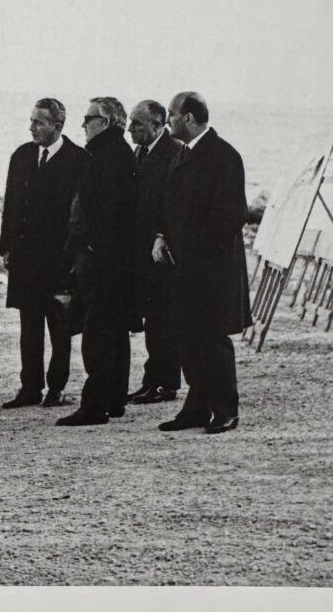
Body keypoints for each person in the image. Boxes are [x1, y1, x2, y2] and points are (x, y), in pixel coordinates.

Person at [152, 92, 252, 434]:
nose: (168, 120)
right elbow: (169, 204)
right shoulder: (183, 154)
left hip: (212, 268)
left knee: (212, 338)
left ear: (189, 118)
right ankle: (196, 408)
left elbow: (231, 215)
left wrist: (193, 249)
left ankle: (225, 410)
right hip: (184, 265)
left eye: (172, 114)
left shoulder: (224, 156)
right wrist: (161, 235)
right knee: (187, 337)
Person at [0, 98, 90, 408]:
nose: (32, 127)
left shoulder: (79, 159)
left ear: (57, 126)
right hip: (25, 256)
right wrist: (6, 247)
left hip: (58, 258)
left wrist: (75, 257)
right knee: (29, 327)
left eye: (39, 122)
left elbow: (81, 212)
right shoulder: (22, 155)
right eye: (32, 121)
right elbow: (10, 204)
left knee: (60, 327)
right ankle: (30, 387)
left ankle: (56, 387)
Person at [56, 96, 139, 427]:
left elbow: (107, 211)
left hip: (102, 261)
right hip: (113, 260)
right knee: (113, 330)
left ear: (105, 122)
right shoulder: (117, 153)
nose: (84, 124)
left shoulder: (107, 156)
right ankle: (113, 400)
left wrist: (88, 247)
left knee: (97, 332)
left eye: (89, 118)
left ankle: (95, 406)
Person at [126, 99, 182, 404]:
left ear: (158, 124)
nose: (130, 129)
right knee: (153, 318)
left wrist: (161, 236)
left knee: (164, 319)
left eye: (137, 123)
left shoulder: (174, 151)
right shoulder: (141, 151)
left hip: (163, 251)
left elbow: (173, 202)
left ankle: (166, 383)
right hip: (144, 250)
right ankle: (153, 380)